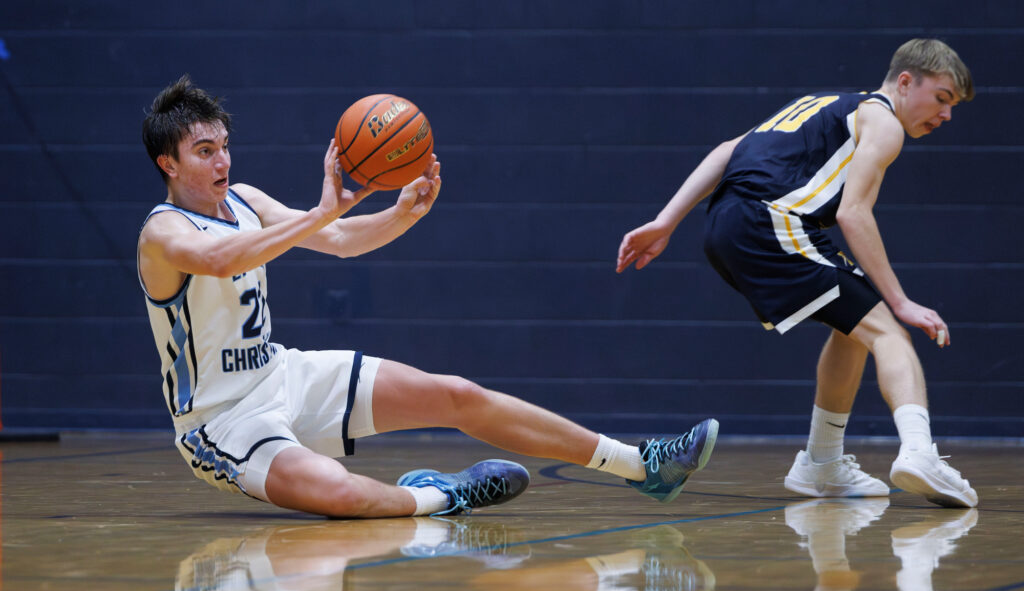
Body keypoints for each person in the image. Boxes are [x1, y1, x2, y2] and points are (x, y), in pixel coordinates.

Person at [137, 74, 718, 518]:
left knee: (456, 394)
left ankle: (643, 465)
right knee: (340, 497)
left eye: (224, 146)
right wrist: (319, 213)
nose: (223, 160)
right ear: (169, 163)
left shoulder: (246, 199)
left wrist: (401, 214)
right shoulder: (162, 233)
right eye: (205, 152)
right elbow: (221, 260)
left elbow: (337, 239)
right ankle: (437, 497)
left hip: (281, 375)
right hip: (221, 420)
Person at [616, 39, 977, 508]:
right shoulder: (885, 123)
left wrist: (668, 220)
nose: (945, 115)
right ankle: (919, 453)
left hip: (728, 224)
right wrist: (902, 302)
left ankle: (821, 463)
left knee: (855, 330)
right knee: (891, 334)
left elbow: (728, 150)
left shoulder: (822, 103)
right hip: (772, 222)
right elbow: (854, 214)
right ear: (906, 82)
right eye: (942, 99)